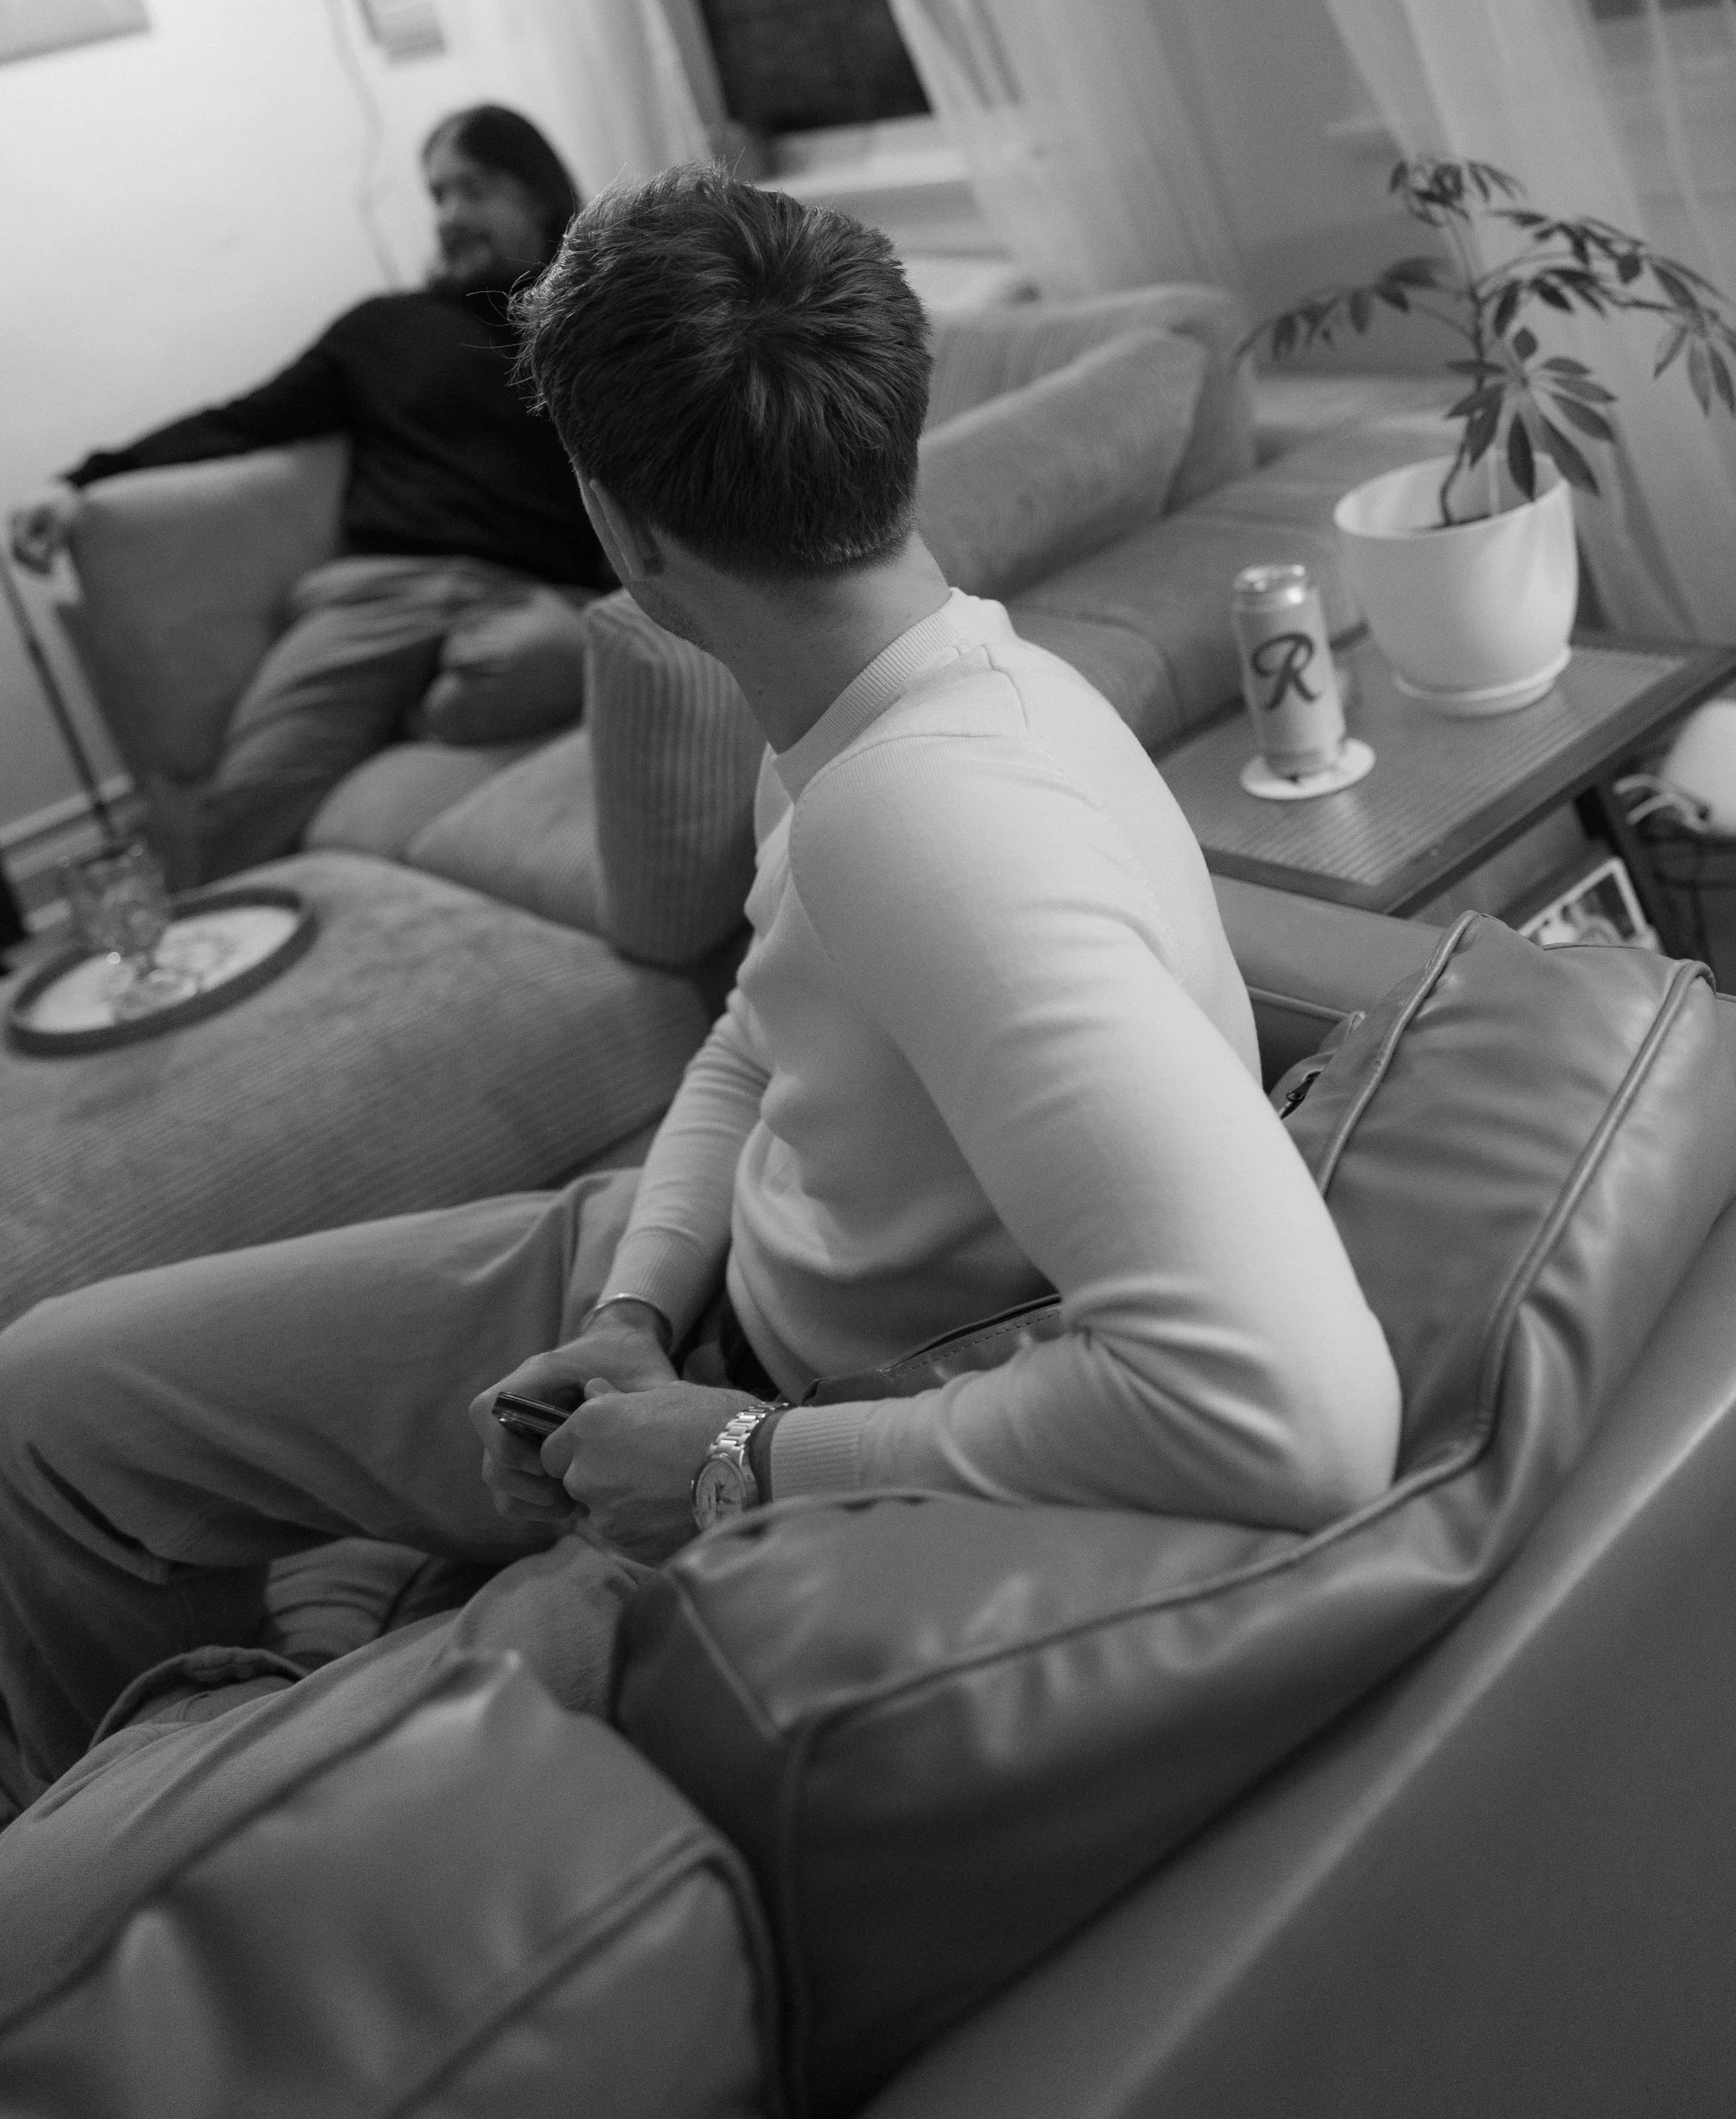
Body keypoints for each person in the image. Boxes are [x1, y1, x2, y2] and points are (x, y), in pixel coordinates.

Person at [0, 169, 1402, 1830]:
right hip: (688, 1283)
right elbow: (758, 1027)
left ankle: (180, 1831)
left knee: (76, 1503)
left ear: (622, 523)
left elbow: (1300, 1411)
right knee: (49, 1404)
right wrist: (634, 1307)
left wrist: (735, 1453)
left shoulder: (935, 815)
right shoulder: (865, 703)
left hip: (799, 1392)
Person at [7, 106, 615, 882]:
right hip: (378, 594)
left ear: (536, 193)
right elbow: (240, 420)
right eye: (438, 196)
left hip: (527, 599)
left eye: (476, 188)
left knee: (543, 658)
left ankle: (414, 713)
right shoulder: (383, 329)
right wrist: (81, 480)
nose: (452, 216)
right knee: (244, 809)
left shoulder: (590, 337)